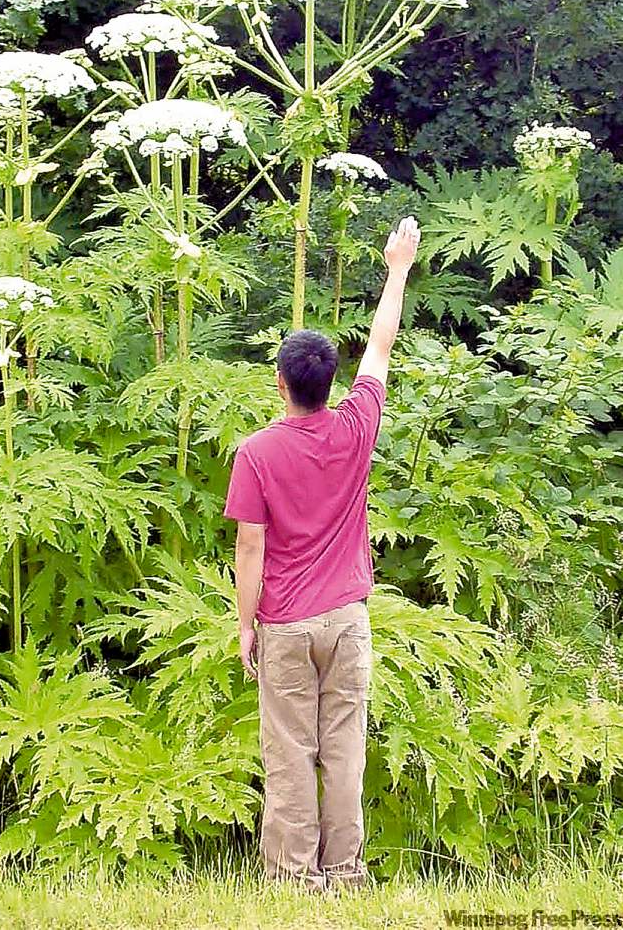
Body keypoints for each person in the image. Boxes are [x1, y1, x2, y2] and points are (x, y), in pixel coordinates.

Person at [223, 216, 421, 892]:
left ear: (280, 382)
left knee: (288, 752)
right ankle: (345, 872)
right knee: (343, 749)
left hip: (284, 622)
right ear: (329, 382)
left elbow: (252, 546)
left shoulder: (256, 453)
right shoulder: (357, 424)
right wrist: (396, 268)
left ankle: (292, 880)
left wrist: (244, 625)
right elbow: (382, 349)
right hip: (347, 619)